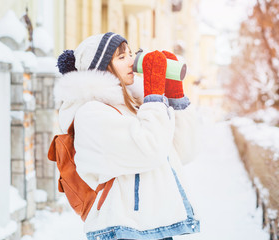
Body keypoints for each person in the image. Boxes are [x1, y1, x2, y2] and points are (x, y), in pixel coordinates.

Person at [54, 32, 200, 240]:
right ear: (101, 69)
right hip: (121, 229)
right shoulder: (91, 113)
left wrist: (174, 95)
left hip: (153, 227)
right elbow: (150, 150)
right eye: (121, 57)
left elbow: (184, 152)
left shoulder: (135, 106)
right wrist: (155, 97)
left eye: (131, 54)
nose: (132, 61)